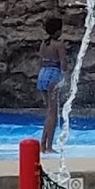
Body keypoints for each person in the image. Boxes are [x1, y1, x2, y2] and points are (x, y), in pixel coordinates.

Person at [36, 16, 68, 153]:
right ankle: (48, 146)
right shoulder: (59, 45)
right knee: (53, 114)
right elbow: (63, 63)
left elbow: (40, 60)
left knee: (49, 112)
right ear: (57, 31)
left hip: (42, 74)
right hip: (53, 77)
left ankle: (43, 144)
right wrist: (65, 77)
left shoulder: (44, 43)